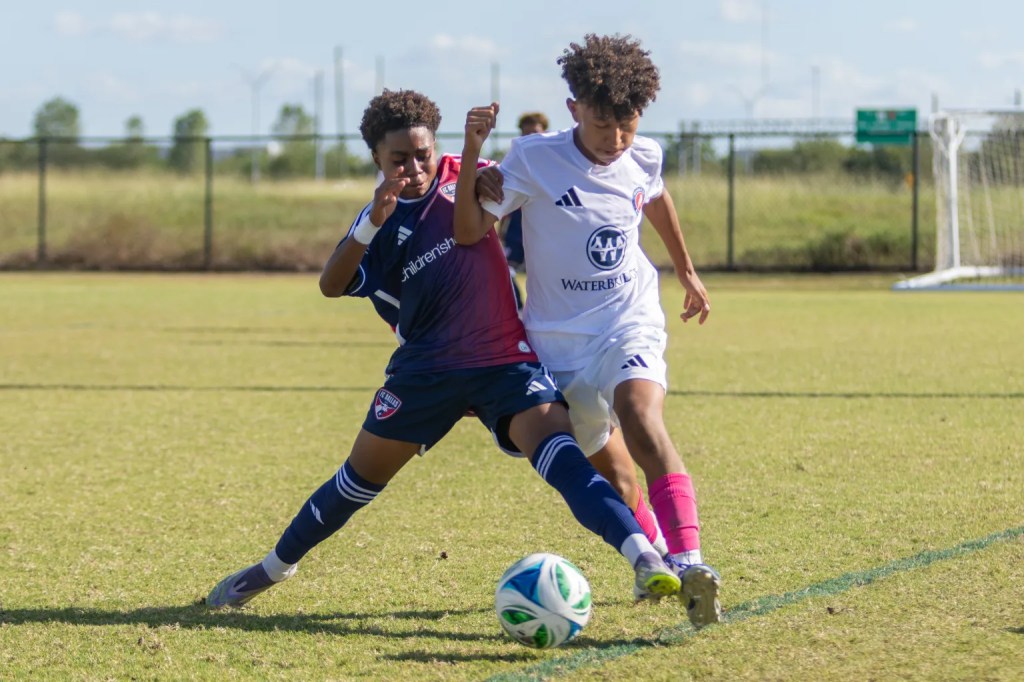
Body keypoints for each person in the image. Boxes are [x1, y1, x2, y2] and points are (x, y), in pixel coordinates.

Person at [206, 89, 682, 610]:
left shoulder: (470, 173)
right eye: (398, 159)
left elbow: (540, 177)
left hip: (505, 362)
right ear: (377, 161)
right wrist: (370, 223)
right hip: (426, 374)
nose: (413, 167)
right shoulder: (379, 221)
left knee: (565, 457)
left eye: (421, 154)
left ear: (437, 148)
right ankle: (270, 570)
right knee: (355, 482)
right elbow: (331, 283)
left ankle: (645, 558)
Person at [454, 34, 722, 629]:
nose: (616, 140)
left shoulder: (643, 154)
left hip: (629, 320)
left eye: (626, 125)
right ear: (574, 108)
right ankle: (655, 558)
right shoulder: (531, 158)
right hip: (556, 345)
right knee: (615, 472)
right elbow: (471, 233)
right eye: (603, 126)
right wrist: (476, 169)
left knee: (643, 416)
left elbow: (655, 198)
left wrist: (686, 269)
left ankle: (693, 560)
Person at [501, 112, 550, 311]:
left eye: (535, 133)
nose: (530, 138)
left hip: (543, 229)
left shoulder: (554, 163)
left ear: (544, 133)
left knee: (547, 274)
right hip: (516, 228)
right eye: (525, 133)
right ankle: (518, 309)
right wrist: (501, 228)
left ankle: (547, 311)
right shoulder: (514, 161)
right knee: (504, 269)